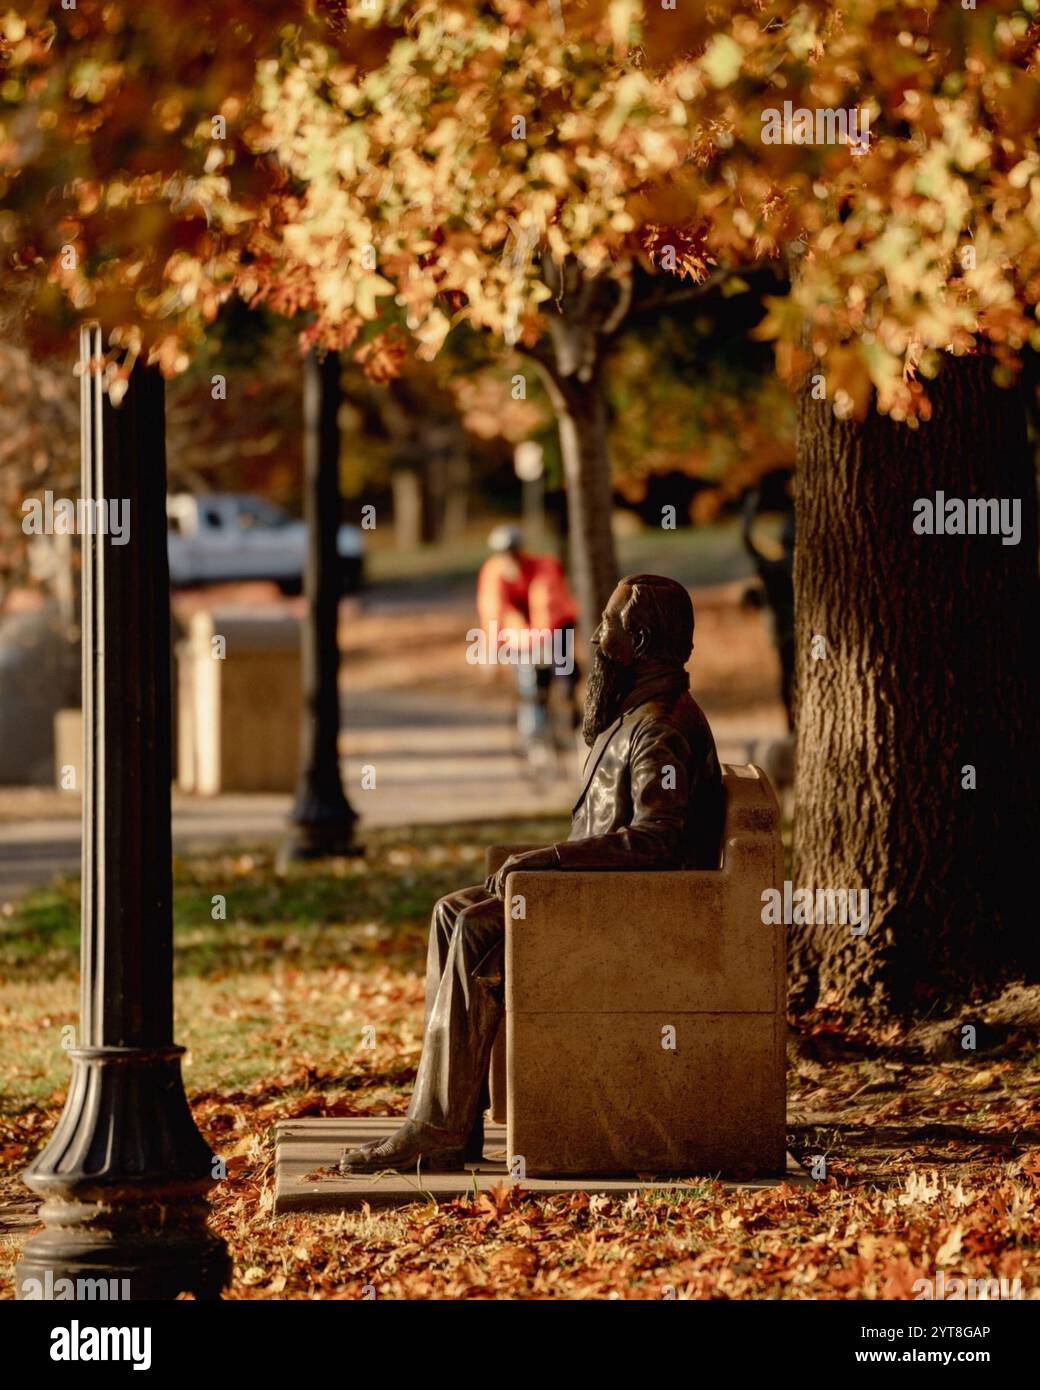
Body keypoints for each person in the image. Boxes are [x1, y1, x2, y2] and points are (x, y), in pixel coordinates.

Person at [339, 574, 724, 1174]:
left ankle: (434, 1129)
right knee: (451, 912)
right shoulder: (640, 715)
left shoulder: (660, 728)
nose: (595, 638)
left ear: (640, 639)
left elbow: (657, 841)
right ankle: (449, 1122)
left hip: (637, 916)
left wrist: (550, 860)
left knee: (475, 931)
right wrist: (547, 863)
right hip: (599, 898)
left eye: (608, 627)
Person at [476, 524, 580, 732]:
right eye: (504, 553)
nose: (509, 558)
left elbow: (547, 606)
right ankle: (534, 735)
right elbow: (493, 613)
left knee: (563, 669)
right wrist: (491, 652)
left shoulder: (544, 567)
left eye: (513, 551)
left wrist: (542, 643)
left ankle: (570, 705)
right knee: (530, 683)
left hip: (555, 626)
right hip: (520, 636)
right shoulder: (493, 573)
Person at [741, 488, 795, 731]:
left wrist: (750, 510)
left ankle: (791, 724)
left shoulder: (772, 566)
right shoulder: (794, 564)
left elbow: (747, 541)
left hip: (782, 633)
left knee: (787, 678)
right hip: (792, 632)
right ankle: (792, 723)